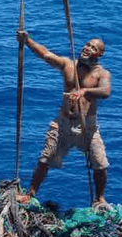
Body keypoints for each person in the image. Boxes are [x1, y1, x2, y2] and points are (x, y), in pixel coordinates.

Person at [18, 30, 112, 207]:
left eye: (93, 47)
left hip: (88, 128)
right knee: (44, 160)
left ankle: (99, 199)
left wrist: (85, 91)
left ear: (99, 54)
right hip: (63, 124)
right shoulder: (68, 65)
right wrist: (27, 41)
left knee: (100, 163)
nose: (87, 48)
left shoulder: (102, 74)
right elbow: (46, 54)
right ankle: (30, 193)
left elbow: (105, 92)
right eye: (87, 44)